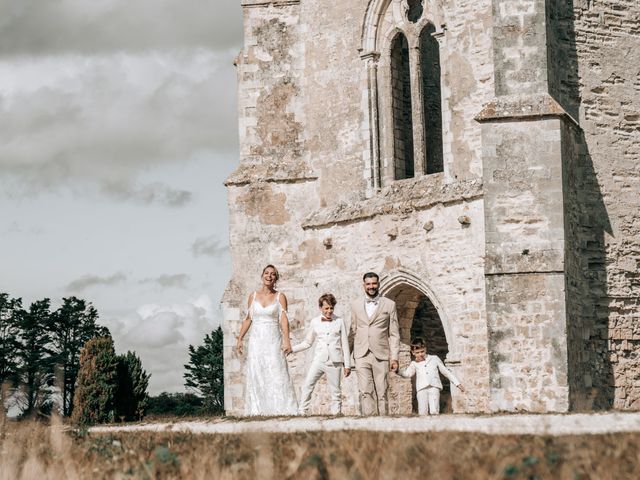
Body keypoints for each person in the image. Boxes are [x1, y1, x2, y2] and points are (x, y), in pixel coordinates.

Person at [236, 265, 298, 416]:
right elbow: (248, 319)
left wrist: (287, 340)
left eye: (273, 274)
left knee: (277, 371)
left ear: (276, 278)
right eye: (266, 273)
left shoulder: (280, 297)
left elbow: (283, 320)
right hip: (256, 340)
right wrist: (240, 339)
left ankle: (282, 410)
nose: (269, 276)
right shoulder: (253, 296)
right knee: (257, 372)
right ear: (262, 275)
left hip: (273, 339)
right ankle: (258, 411)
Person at [349, 272, 400, 415]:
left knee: (382, 392)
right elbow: (352, 331)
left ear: (378, 284)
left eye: (374, 283)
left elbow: (394, 334)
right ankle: (369, 423)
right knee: (365, 391)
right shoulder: (355, 305)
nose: (371, 286)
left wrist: (394, 357)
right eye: (368, 284)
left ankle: (383, 423)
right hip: (361, 354)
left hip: (381, 354)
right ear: (363, 285)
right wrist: (347, 357)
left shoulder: (390, 305)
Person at [292, 293, 351, 415]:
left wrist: (347, 365)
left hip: (335, 361)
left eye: (331, 308)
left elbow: (345, 344)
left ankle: (337, 413)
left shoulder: (339, 321)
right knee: (308, 384)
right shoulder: (315, 322)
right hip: (319, 360)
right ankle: (302, 411)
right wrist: (292, 349)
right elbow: (308, 342)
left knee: (336, 390)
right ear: (320, 308)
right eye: (326, 308)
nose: (329, 311)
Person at [398, 337, 465, 415]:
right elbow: (407, 374)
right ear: (413, 352)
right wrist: (397, 371)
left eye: (422, 351)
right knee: (422, 412)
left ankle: (434, 426)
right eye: (417, 352)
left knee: (434, 411)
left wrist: (457, 383)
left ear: (425, 349)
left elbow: (445, 372)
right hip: (421, 389)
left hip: (434, 387)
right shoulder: (414, 363)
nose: (420, 354)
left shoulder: (434, 359)